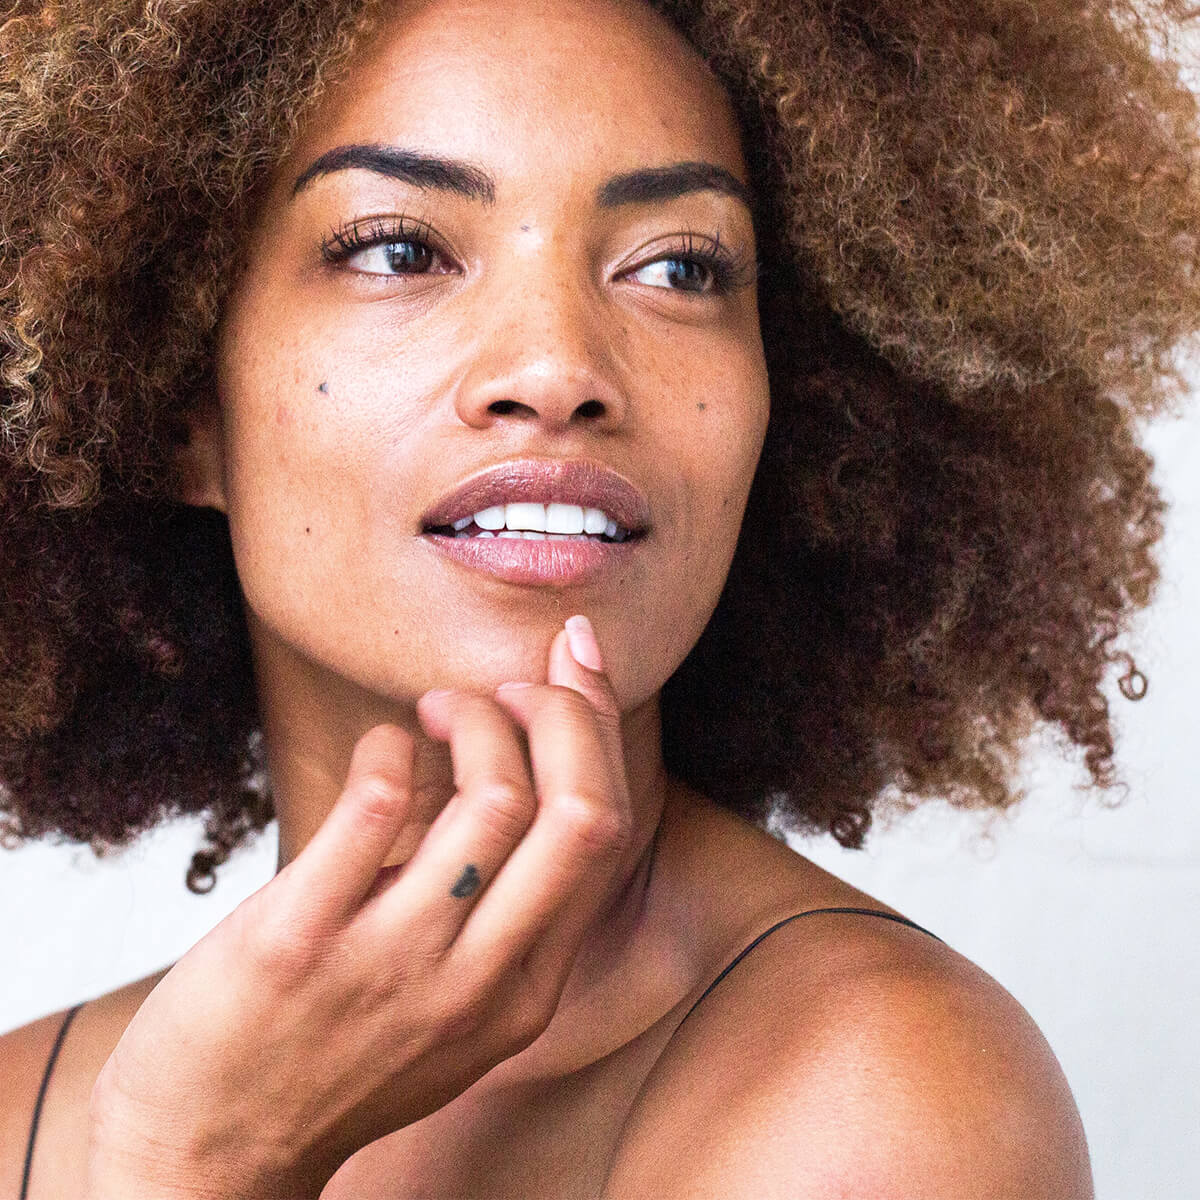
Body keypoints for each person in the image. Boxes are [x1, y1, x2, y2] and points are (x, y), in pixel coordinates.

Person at [2, 0, 1197, 1194]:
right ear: (174, 406)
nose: (557, 367)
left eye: (679, 267)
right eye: (400, 249)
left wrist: (197, 1165)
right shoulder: (22, 1109)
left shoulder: (887, 1095)